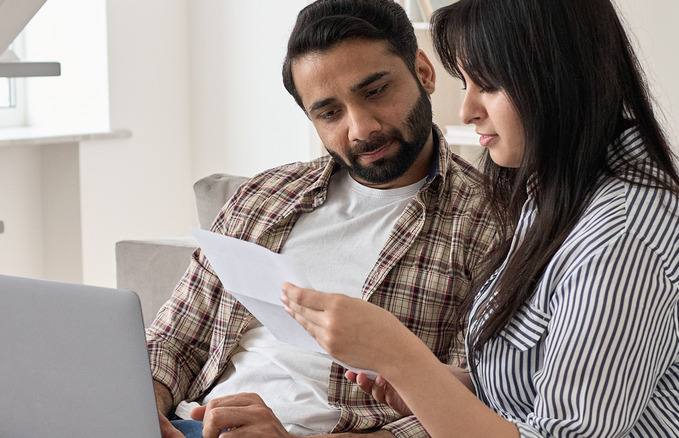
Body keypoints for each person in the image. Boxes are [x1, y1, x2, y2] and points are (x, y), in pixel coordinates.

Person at [282, 0, 679, 436]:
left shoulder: (624, 232)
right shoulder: (549, 198)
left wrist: (401, 356)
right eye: (466, 84)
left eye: (487, 85)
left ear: (557, 77)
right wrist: (436, 387)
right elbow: (531, 392)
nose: (467, 110)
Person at [145, 0, 496, 437]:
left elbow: (479, 404)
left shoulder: (493, 221)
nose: (360, 128)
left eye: (375, 91)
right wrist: (142, 409)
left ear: (423, 72)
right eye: (330, 113)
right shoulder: (263, 198)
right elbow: (172, 341)